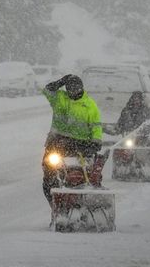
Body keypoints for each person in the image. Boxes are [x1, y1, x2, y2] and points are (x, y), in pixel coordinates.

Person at [41, 74, 103, 204]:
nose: (73, 92)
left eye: (76, 89)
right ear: (66, 88)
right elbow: (47, 90)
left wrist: (95, 142)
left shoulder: (90, 106)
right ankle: (56, 205)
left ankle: (86, 200)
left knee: (86, 175)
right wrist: (60, 81)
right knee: (50, 176)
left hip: (81, 146)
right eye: (70, 89)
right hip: (56, 144)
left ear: (81, 88)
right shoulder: (59, 98)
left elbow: (96, 127)